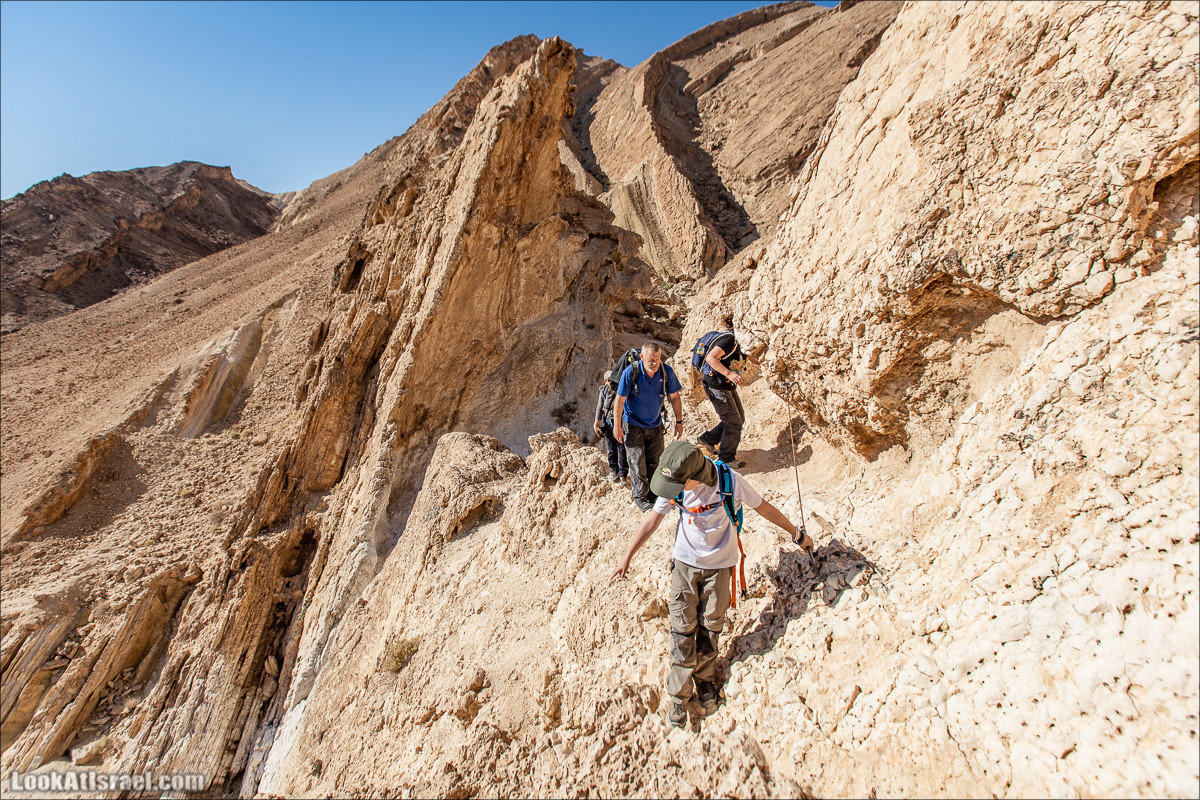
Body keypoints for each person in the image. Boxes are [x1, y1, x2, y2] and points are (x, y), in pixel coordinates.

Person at [612, 441, 813, 728]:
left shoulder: (730, 481)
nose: (672, 492)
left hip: (720, 569)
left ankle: (705, 683)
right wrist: (626, 556)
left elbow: (764, 509)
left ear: (693, 477)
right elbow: (652, 519)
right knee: (682, 631)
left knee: (710, 628)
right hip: (684, 566)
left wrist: (797, 535)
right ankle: (679, 697)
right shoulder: (677, 487)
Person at [613, 342, 683, 512]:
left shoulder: (666, 372)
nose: (655, 363)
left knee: (656, 462)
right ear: (642, 357)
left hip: (655, 424)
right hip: (632, 424)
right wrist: (617, 425)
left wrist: (679, 422)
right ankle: (640, 497)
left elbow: (674, 397)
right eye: (651, 359)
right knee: (637, 462)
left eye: (658, 359)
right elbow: (620, 400)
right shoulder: (631, 372)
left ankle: (654, 494)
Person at [696, 316, 754, 469]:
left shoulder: (741, 342)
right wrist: (729, 374)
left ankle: (708, 439)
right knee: (733, 423)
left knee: (738, 419)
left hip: (725, 386)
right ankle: (726, 458)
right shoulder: (729, 340)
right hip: (716, 386)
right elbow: (710, 358)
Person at [593, 370, 627, 484]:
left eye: (611, 379)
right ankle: (614, 471)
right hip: (608, 422)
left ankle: (623, 474)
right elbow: (599, 407)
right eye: (608, 380)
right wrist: (596, 421)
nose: (610, 381)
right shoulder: (603, 392)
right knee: (611, 448)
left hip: (620, 422)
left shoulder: (620, 390)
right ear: (605, 381)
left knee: (621, 448)